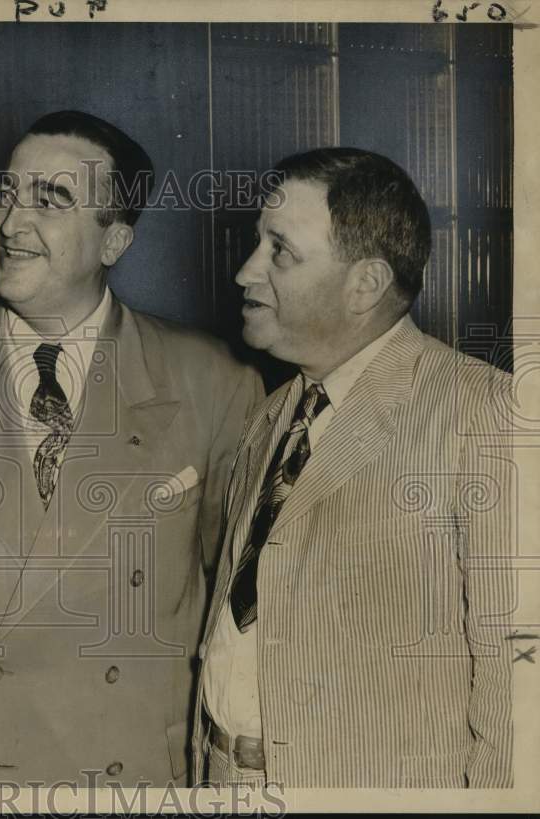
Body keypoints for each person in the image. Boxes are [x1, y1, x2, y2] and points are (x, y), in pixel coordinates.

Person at [0, 110, 263, 787]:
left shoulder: (215, 384)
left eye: (49, 200)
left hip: (130, 774)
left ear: (114, 239)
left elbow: (227, 593)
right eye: (5, 194)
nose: (9, 224)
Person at [194, 147, 514, 788]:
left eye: (278, 250)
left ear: (364, 284)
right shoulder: (272, 416)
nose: (245, 273)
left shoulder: (484, 413)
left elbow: (517, 685)